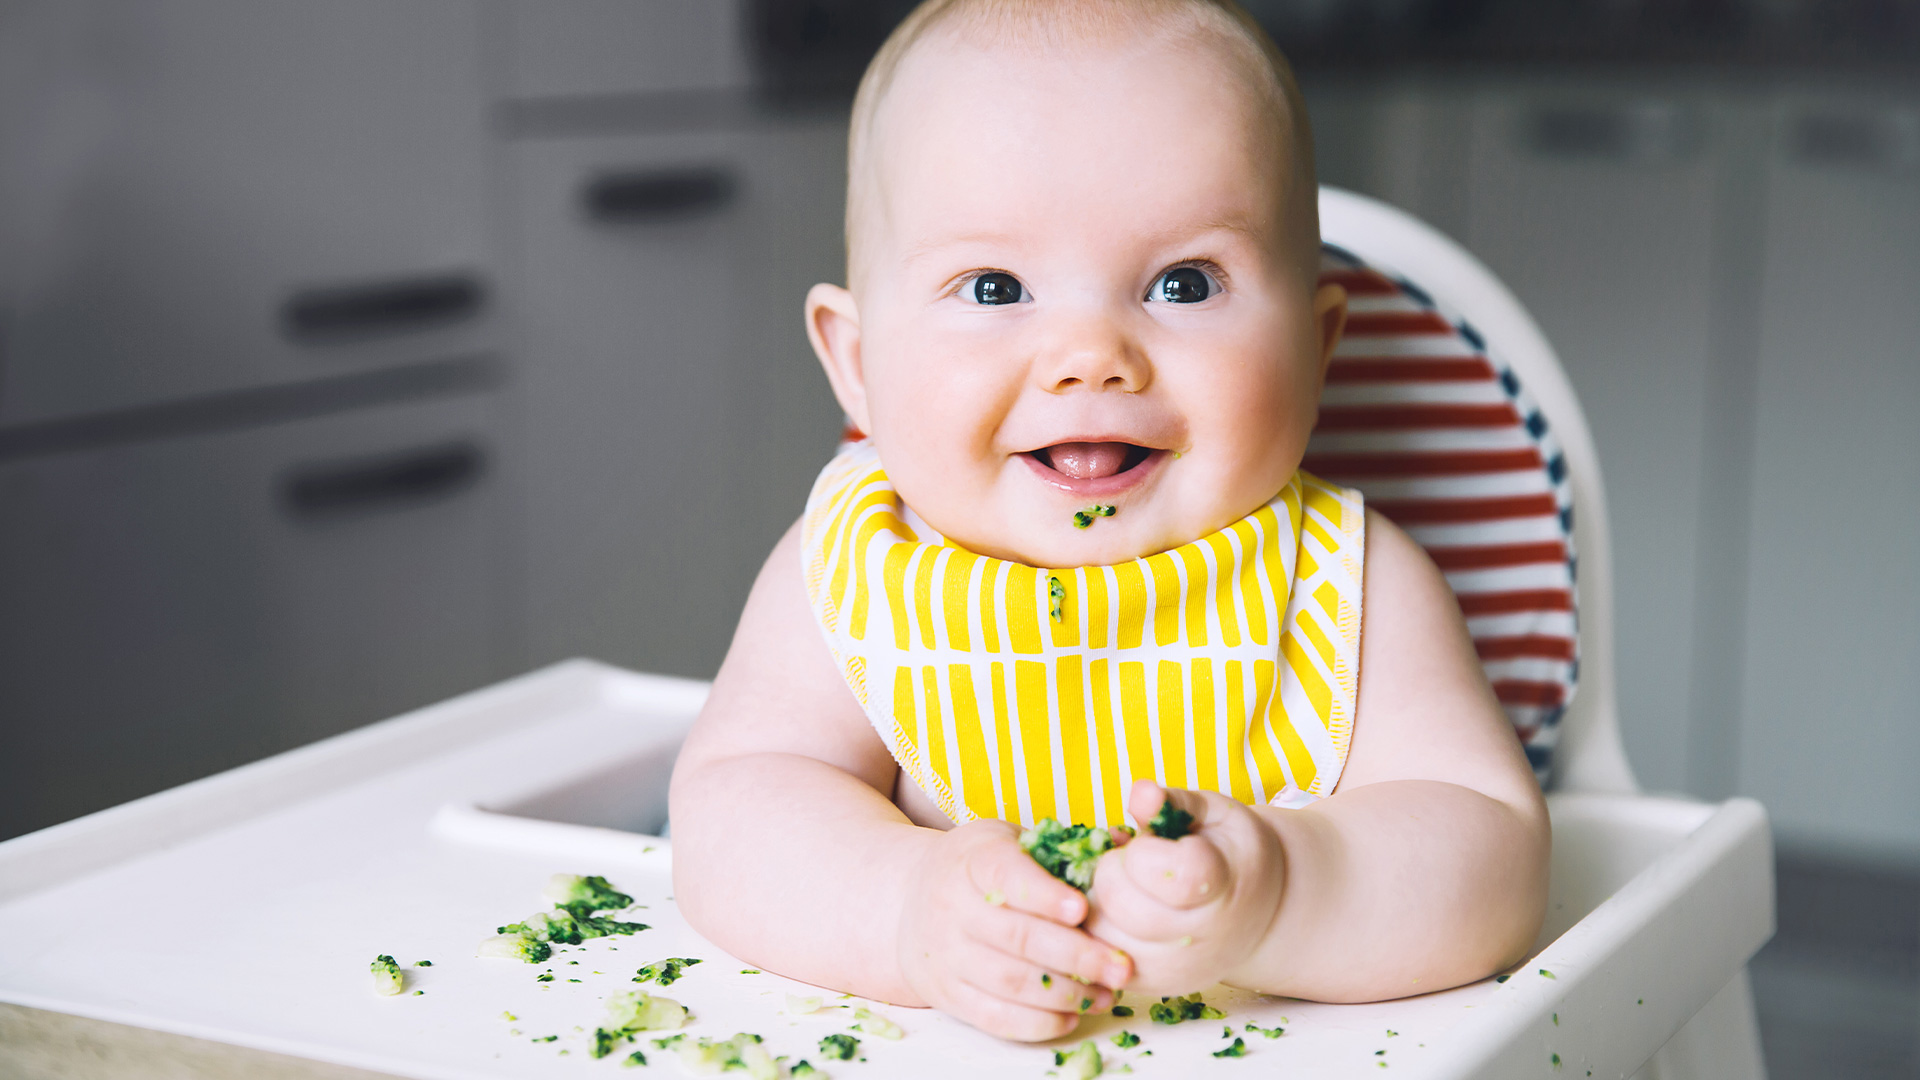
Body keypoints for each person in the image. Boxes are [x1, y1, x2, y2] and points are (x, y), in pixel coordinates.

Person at [669, 0, 1548, 1043]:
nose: (1092, 354)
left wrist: (1285, 896)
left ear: (1317, 353)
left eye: (1183, 283)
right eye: (995, 286)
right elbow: (733, 812)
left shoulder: (1351, 587)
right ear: (858, 366)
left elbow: (1494, 860)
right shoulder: (852, 572)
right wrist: (903, 909)